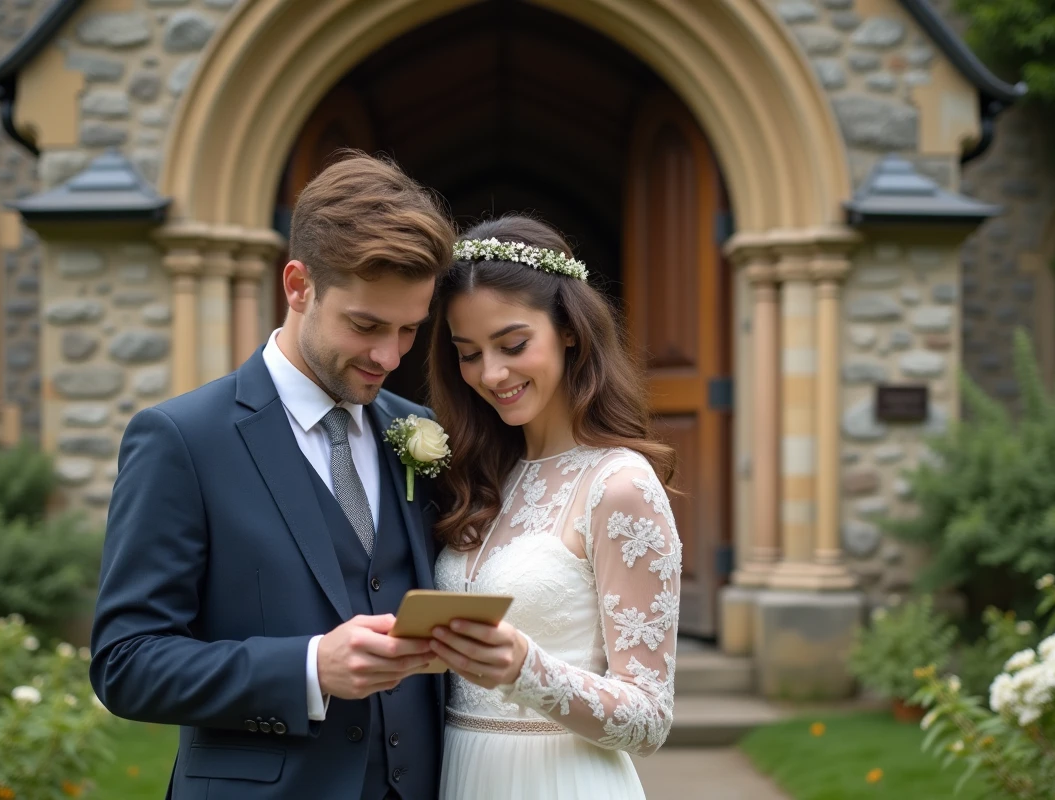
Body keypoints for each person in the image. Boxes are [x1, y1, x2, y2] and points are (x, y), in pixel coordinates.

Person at [88, 152, 457, 800]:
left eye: (409, 330)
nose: (389, 356)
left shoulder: (417, 429)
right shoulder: (182, 439)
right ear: (298, 285)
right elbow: (126, 663)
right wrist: (308, 668)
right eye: (366, 325)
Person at [424, 216, 682, 800]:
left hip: (562, 781)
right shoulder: (479, 474)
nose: (491, 373)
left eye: (513, 345)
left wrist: (527, 670)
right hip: (461, 776)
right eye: (469, 354)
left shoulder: (619, 485)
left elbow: (648, 719)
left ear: (569, 329)